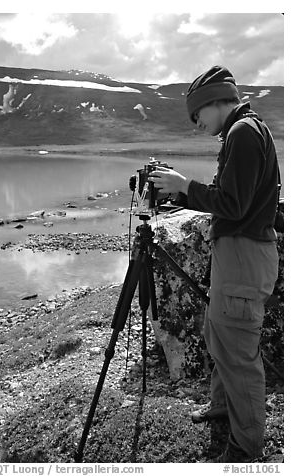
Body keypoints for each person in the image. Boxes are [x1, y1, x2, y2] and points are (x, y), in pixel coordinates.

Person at [149, 65, 280, 463]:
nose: (197, 123)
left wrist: (184, 186)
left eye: (197, 115)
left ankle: (246, 447)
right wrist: (185, 194)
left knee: (238, 350)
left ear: (211, 102)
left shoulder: (242, 133)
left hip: (244, 256)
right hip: (239, 254)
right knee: (219, 333)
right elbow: (233, 199)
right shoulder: (246, 130)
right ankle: (225, 408)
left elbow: (233, 204)